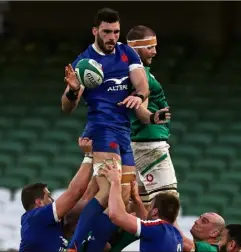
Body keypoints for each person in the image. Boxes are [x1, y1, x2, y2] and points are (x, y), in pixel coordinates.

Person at [63, 8, 170, 251]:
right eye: (107, 32)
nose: (112, 37)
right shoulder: (84, 62)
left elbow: (142, 84)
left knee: (120, 198)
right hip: (101, 128)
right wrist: (72, 90)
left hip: (123, 131)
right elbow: (67, 106)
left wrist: (140, 96)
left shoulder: (127, 53)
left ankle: (95, 245)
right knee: (108, 188)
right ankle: (75, 245)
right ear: (95, 31)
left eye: (116, 32)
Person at [126, 25, 178, 208]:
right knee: (168, 205)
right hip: (149, 144)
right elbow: (140, 109)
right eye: (149, 47)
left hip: (135, 144)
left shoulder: (126, 71)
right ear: (134, 49)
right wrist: (152, 117)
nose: (155, 52)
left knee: (139, 207)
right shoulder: (140, 74)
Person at [19, 138, 93, 252]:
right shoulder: (36, 217)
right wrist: (89, 156)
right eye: (48, 196)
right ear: (39, 202)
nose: (53, 200)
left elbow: (86, 198)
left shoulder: (48, 226)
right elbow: (75, 193)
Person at [101, 158, 183, 252]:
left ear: (155, 211)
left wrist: (114, 181)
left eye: (150, 206)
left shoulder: (157, 229)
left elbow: (116, 215)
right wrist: (136, 199)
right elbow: (146, 221)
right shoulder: (177, 235)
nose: (148, 209)